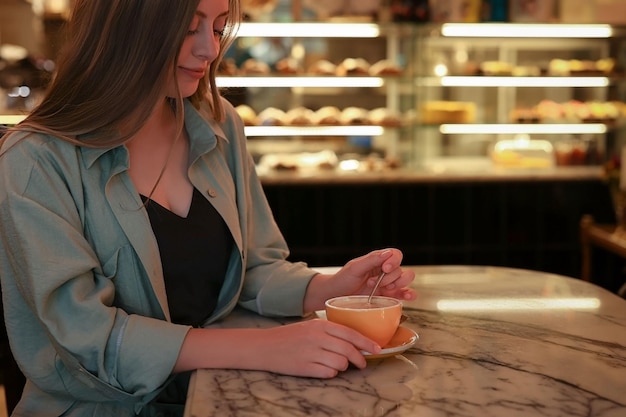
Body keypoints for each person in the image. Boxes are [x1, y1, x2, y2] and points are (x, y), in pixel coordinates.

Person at [0, 0, 417, 416]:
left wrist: (330, 288)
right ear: (121, 25)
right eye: (187, 28)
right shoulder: (34, 160)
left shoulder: (219, 124)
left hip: (220, 398)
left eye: (217, 29)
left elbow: (252, 268)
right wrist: (263, 348)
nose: (211, 50)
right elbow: (86, 338)